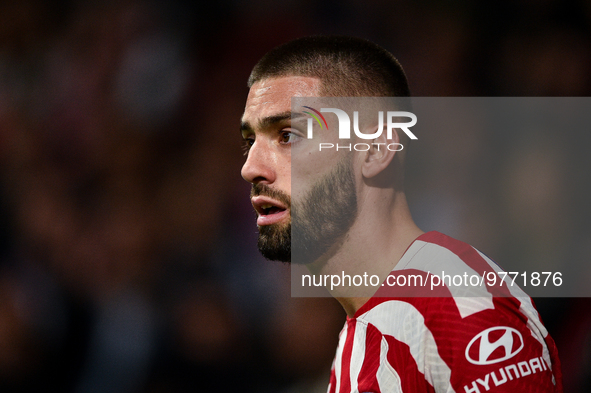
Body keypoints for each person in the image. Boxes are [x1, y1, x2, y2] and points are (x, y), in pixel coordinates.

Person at [240, 36, 562, 392]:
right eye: (250, 141)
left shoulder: (460, 309)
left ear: (376, 149)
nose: (251, 167)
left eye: (288, 135)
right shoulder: (359, 338)